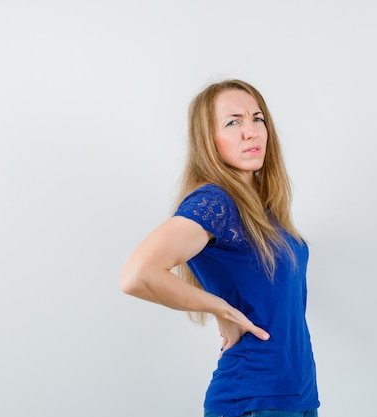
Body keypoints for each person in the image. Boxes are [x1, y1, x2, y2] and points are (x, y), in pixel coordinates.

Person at [120, 79, 319, 417]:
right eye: (233, 122)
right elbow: (137, 275)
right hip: (253, 398)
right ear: (209, 141)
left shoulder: (263, 208)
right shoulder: (215, 202)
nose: (251, 131)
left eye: (257, 118)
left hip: (295, 395)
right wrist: (222, 310)